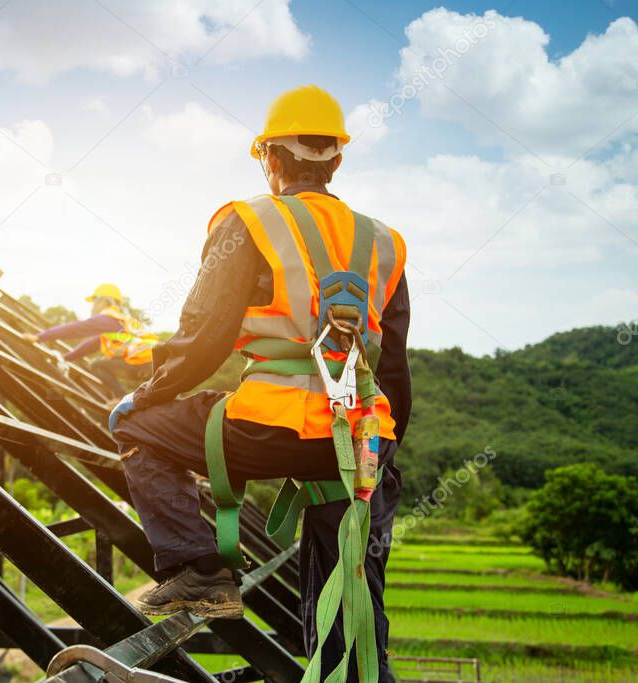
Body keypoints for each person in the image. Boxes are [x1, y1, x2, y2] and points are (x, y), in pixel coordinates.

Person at [108, 85, 410, 682]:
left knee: (133, 425)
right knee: (353, 599)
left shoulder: (249, 220)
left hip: (269, 427)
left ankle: (200, 571)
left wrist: (144, 396)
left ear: (269, 158)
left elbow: (204, 339)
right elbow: (394, 365)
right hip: (359, 438)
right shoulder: (384, 241)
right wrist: (382, 450)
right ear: (337, 161)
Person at [23, 283, 157, 396]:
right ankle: (125, 401)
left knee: (97, 365)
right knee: (105, 362)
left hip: (145, 363)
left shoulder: (107, 318)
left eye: (94, 302)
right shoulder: (119, 321)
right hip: (154, 364)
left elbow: (75, 329)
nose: (92, 306)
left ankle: (120, 399)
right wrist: (66, 358)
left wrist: (38, 337)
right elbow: (91, 345)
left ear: (103, 301)